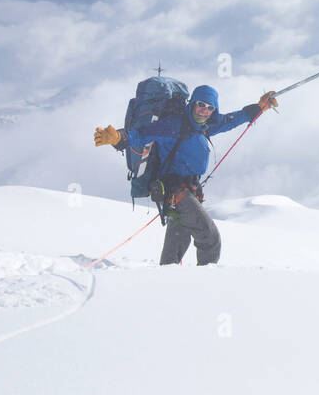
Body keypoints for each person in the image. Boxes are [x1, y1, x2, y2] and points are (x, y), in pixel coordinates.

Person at [93, 84, 277, 265]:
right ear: (192, 103)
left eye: (209, 107)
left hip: (191, 191)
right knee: (209, 238)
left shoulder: (207, 126)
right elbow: (142, 135)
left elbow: (233, 119)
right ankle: (207, 282)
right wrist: (118, 137)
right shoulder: (174, 125)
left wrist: (259, 107)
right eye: (201, 104)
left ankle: (166, 284)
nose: (204, 111)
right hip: (175, 191)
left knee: (176, 247)